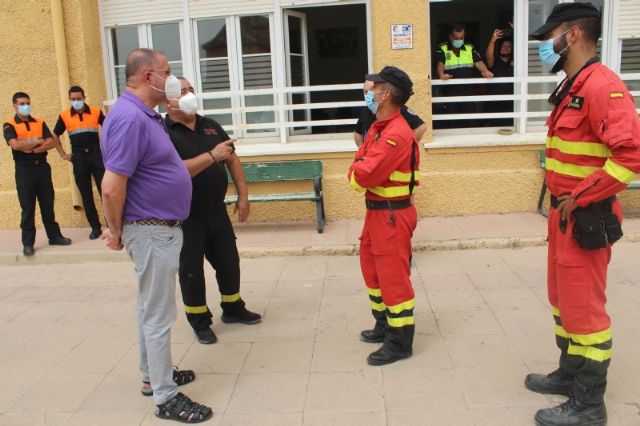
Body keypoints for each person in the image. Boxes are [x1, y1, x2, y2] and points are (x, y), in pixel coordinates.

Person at [526, 4, 640, 426]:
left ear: (571, 35)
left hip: (585, 217)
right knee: (563, 300)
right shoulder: (575, 84)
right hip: (565, 216)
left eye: (548, 37)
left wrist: (580, 197)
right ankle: (570, 373)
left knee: (585, 310)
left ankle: (589, 404)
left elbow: (630, 156)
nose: (544, 46)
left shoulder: (602, 87)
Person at [100, 48, 212, 423]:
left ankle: (153, 376)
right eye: (168, 71)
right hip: (149, 230)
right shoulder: (130, 118)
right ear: (149, 77)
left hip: (158, 229)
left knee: (150, 308)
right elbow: (112, 186)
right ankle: (166, 397)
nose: (173, 79)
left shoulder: (147, 115)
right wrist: (116, 231)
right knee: (159, 315)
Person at [165, 77, 262, 345]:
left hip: (216, 210)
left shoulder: (210, 126)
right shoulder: (163, 132)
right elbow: (174, 172)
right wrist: (212, 156)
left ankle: (233, 307)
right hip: (185, 216)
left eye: (191, 90)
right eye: (182, 91)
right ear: (168, 101)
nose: (189, 95)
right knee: (191, 271)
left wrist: (243, 195)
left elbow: (232, 159)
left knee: (228, 262)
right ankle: (199, 321)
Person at [347, 66, 420, 366]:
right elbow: (361, 162)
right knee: (373, 272)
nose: (369, 92)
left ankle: (400, 341)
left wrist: (357, 171)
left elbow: (362, 174)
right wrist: (360, 167)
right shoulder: (380, 126)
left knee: (393, 280)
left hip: (391, 215)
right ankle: (384, 324)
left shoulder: (395, 133)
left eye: (374, 88)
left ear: (386, 94)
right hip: (377, 213)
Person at [3, 92, 72, 257]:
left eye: (27, 102)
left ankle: (54, 236)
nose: (25, 106)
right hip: (24, 169)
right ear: (14, 106)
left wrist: (31, 147)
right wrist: (39, 141)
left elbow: (52, 142)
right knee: (27, 207)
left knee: (47, 203)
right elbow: (15, 145)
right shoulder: (9, 125)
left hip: (42, 167)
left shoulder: (39, 122)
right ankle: (28, 243)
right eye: (21, 103)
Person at [52, 85, 106, 240]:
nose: (76, 101)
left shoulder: (95, 112)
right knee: (86, 195)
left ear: (84, 97)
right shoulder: (64, 116)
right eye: (73, 99)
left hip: (96, 155)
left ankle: (112, 225)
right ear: (70, 99)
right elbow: (55, 135)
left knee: (106, 192)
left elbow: (109, 127)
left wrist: (108, 149)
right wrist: (63, 154)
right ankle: (95, 228)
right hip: (79, 158)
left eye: (79, 98)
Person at [434, 24, 494, 128]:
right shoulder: (442, 48)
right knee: (452, 120)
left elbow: (478, 62)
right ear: (450, 37)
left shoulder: (469, 48)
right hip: (451, 91)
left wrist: (485, 71)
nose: (459, 40)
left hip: (468, 90)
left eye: (461, 38)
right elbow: (440, 63)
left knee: (469, 119)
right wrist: (441, 75)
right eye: (456, 38)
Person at [354, 80, 427, 147]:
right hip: (372, 155)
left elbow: (421, 127)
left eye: (372, 90)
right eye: (365, 92)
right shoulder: (365, 111)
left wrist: (406, 147)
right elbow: (357, 133)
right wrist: (361, 148)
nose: (368, 94)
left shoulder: (396, 108)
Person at [485, 28, 514, 127]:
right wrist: (493, 40)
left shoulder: (516, 61)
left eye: (509, 46)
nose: (506, 48)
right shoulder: (494, 61)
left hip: (512, 102)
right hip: (494, 102)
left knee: (510, 126)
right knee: (495, 126)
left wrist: (516, 31)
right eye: (503, 46)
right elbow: (488, 57)